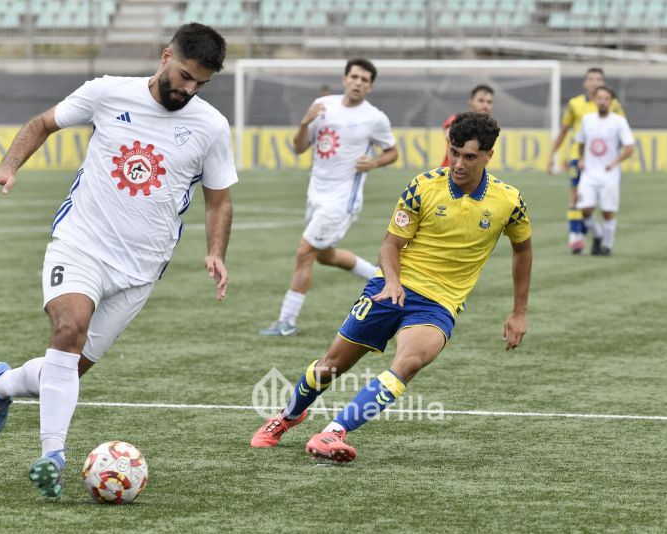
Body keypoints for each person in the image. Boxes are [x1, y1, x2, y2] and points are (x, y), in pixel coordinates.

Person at [0, 23, 237, 499]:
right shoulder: (106, 92)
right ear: (165, 56)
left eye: (200, 83)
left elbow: (219, 200)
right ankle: (52, 457)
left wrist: (216, 251)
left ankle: (2, 386)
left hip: (141, 269)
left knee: (66, 369)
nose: (188, 89)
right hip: (80, 244)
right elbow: (41, 124)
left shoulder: (210, 126)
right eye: (183, 76)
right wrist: (7, 167)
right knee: (66, 330)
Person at [250, 112, 532, 463]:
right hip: (390, 289)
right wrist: (394, 282)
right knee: (332, 365)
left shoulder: (508, 201)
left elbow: (523, 250)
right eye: (454, 152)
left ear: (489, 155)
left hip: (439, 304)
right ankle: (288, 416)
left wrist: (519, 312)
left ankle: (333, 432)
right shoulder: (424, 186)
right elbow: (389, 245)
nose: (458, 163)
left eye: (469, 157)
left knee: (408, 363)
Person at [259, 58, 398, 337]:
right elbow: (298, 148)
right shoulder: (323, 107)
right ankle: (379, 277)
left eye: (364, 80)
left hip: (341, 199)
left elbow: (392, 152)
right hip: (316, 193)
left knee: (304, 251)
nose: (358, 83)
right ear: (345, 79)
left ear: (370, 87)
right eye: (354, 77)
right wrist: (304, 122)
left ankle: (287, 321)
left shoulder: (374, 118)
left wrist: (373, 163)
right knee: (324, 256)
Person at [546, 67, 625, 254]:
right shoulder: (575, 104)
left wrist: (614, 159)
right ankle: (576, 236)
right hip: (578, 157)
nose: (594, 82)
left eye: (598, 79)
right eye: (591, 78)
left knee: (599, 204)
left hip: (603, 162)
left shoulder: (613, 105)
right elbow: (564, 131)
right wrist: (552, 155)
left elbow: (620, 131)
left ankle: (595, 235)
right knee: (575, 195)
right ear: (585, 82)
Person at [575, 86, 635, 256]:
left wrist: (614, 162)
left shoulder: (618, 121)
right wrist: (581, 159)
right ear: (595, 100)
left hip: (609, 175)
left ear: (611, 101)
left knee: (608, 212)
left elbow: (630, 147)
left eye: (606, 98)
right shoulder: (587, 120)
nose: (602, 101)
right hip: (589, 174)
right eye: (599, 98)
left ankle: (607, 246)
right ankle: (598, 235)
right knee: (585, 210)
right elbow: (580, 141)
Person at [441, 84, 494, 167]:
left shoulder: (489, 128)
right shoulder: (459, 120)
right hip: (451, 173)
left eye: (489, 102)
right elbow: (448, 134)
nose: (485, 105)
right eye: (481, 100)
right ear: (471, 102)